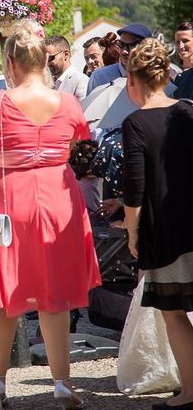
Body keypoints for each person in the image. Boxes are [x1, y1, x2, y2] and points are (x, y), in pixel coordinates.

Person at [0, 20, 101, 409]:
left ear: (10, 61)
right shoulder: (68, 103)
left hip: (11, 201)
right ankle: (62, 383)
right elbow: (81, 145)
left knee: (3, 295)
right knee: (53, 296)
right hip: (58, 198)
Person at [122, 38, 193, 410]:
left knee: (175, 314)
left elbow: (135, 188)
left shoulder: (135, 123)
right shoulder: (189, 111)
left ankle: (191, 391)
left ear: (133, 79)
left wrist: (132, 232)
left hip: (166, 231)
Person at [87, 23, 152, 95]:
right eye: (121, 44)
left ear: (146, 49)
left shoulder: (156, 76)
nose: (124, 51)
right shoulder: (99, 77)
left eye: (131, 46)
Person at [45, 35, 88, 101]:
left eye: (50, 58)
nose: (47, 63)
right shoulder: (48, 83)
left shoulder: (81, 80)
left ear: (65, 54)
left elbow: (82, 110)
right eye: (45, 59)